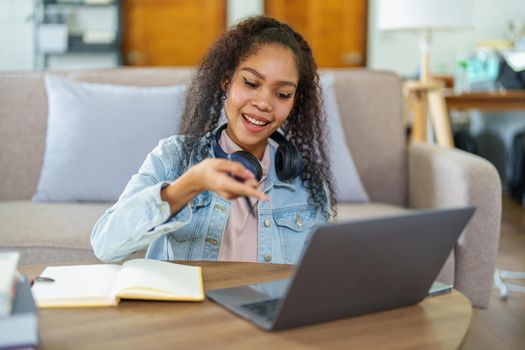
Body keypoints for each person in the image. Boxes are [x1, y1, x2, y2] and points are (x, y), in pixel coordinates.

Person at [91, 16, 336, 264]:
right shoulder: (173, 157)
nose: (263, 103)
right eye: (251, 83)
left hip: (270, 304)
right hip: (195, 303)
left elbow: (318, 278)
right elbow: (106, 245)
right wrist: (190, 185)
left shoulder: (306, 181)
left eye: (282, 94)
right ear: (226, 82)